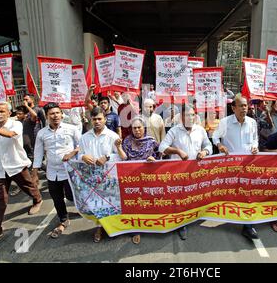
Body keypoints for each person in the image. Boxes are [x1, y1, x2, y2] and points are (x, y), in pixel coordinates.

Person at [0, 103, 43, 249]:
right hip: (0, 168)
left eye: (2, 111)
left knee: (28, 186)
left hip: (16, 164)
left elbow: (10, 135)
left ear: (8, 112)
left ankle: (37, 199)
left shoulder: (16, 124)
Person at [159, 104, 212, 240]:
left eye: (192, 115)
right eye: (187, 115)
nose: (190, 117)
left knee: (193, 194)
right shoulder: (174, 131)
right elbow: (162, 147)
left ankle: (193, 216)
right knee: (180, 197)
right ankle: (181, 224)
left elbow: (208, 145)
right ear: (181, 117)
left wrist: (204, 151)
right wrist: (177, 151)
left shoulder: (200, 130)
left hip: (196, 171)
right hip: (179, 172)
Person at [212, 95, 260, 241]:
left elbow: (255, 139)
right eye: (241, 106)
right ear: (233, 108)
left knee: (247, 195)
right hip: (231, 166)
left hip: (248, 165)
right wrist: (220, 145)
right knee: (233, 193)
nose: (244, 108)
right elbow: (214, 136)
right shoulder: (225, 123)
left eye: (246, 105)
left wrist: (255, 147)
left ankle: (247, 226)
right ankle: (233, 216)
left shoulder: (252, 122)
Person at [32, 103, 81, 239]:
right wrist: (35, 173)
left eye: (57, 113)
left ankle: (83, 209)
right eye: (51, 114)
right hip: (52, 172)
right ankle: (63, 220)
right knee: (57, 198)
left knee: (72, 196)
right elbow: (38, 153)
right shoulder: (42, 134)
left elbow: (82, 145)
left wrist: (72, 153)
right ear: (47, 117)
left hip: (70, 171)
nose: (55, 116)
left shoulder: (72, 129)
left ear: (62, 114)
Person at [78, 106, 127, 243]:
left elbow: (121, 157)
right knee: (97, 204)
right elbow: (79, 154)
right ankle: (99, 227)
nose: (97, 122)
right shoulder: (84, 138)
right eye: (94, 119)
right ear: (90, 120)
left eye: (100, 119)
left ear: (105, 119)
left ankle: (113, 227)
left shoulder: (113, 136)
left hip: (110, 177)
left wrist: (107, 157)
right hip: (91, 177)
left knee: (111, 203)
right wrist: (83, 157)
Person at [122, 116, 160, 244]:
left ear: (144, 128)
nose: (137, 130)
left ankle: (149, 223)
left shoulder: (152, 141)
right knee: (134, 204)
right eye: (134, 128)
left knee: (148, 202)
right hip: (131, 178)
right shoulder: (126, 142)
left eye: (139, 127)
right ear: (131, 129)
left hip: (148, 177)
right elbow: (124, 160)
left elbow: (159, 156)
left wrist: (153, 160)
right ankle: (136, 229)